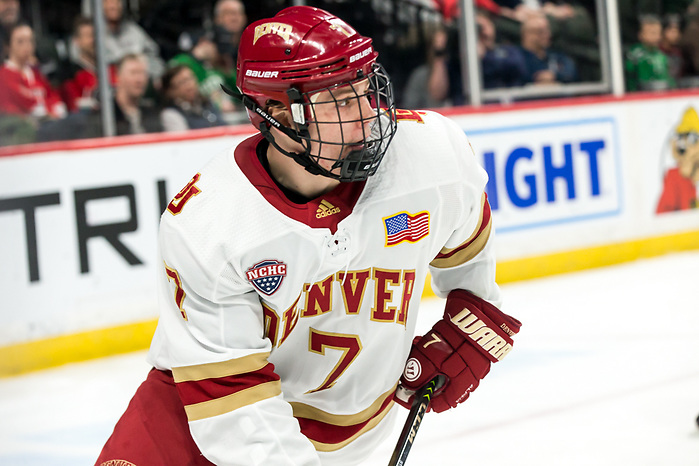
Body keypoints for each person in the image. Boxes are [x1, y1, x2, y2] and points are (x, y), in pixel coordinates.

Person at [96, 6, 521, 466]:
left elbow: (468, 235)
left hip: (347, 430)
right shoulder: (211, 223)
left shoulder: (430, 153)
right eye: (340, 101)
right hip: (201, 417)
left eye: (365, 89)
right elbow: (232, 397)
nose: (368, 117)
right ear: (275, 113)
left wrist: (475, 313)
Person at [0, 22, 67, 121]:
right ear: (8, 46)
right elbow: (11, 110)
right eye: (20, 41)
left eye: (30, 41)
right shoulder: (3, 76)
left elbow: (53, 98)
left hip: (49, 124)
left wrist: (56, 111)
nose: (27, 46)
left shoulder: (36, 73)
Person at [102, 0, 166, 83]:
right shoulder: (94, 34)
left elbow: (153, 55)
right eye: (108, 3)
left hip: (142, 79)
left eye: (117, 2)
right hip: (112, 84)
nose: (114, 6)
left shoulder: (133, 30)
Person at [159, 64, 226, 131]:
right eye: (182, 82)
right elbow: (183, 139)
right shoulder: (171, 114)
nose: (189, 85)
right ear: (170, 91)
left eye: (190, 79)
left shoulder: (207, 103)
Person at [518, 11, 579, 84]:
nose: (547, 35)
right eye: (540, 31)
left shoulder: (556, 56)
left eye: (547, 30)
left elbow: (571, 73)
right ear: (526, 35)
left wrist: (554, 76)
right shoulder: (517, 58)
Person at [57, 16, 98, 113]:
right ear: (77, 41)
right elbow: (74, 107)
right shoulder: (69, 74)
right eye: (88, 35)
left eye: (95, 35)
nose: (93, 40)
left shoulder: (110, 69)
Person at [624, 14, 675, 91]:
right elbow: (630, 80)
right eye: (652, 33)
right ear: (641, 35)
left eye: (658, 33)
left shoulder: (661, 55)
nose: (657, 37)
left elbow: (668, 79)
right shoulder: (635, 55)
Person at [213, 0, 247, 71]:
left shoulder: (252, 44)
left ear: (244, 18)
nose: (234, 18)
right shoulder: (210, 45)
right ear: (217, 19)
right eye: (229, 13)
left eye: (238, 13)